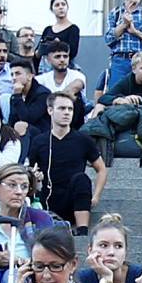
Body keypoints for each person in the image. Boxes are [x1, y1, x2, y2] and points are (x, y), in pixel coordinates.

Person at [23, 86, 104, 231]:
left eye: (70, 109)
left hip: (74, 199)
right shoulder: (39, 141)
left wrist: (96, 196)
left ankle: (82, 230)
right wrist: (35, 177)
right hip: (47, 199)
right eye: (62, 108)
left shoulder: (83, 139)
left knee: (81, 178)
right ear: (50, 110)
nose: (67, 113)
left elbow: (101, 169)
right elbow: (29, 169)